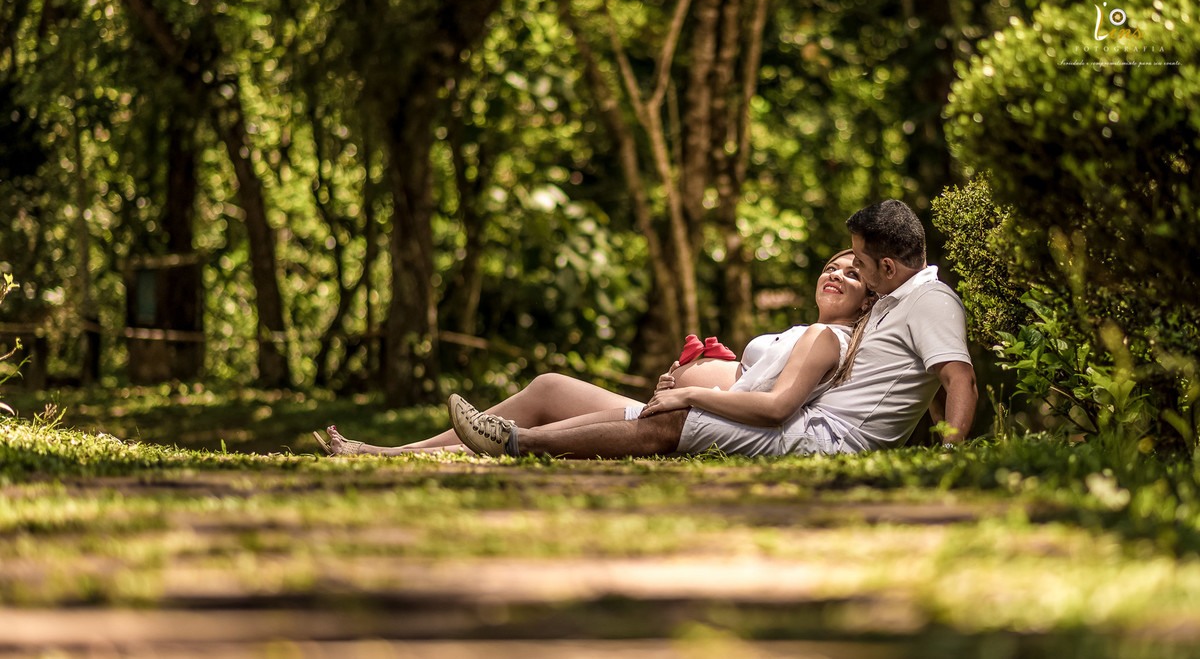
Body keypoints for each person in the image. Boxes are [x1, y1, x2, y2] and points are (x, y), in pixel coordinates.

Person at [449, 199, 976, 458]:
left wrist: (951, 456)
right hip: (811, 426)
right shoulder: (895, 301)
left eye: (857, 262)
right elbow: (920, 381)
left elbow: (957, 380)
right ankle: (506, 439)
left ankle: (518, 442)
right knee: (632, 410)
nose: (847, 269)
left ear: (886, 269)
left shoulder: (929, 301)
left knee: (675, 424)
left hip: (825, 437)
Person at [312, 249, 871, 456]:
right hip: (684, 406)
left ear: (868, 296)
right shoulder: (801, 332)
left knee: (545, 402)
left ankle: (405, 452)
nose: (835, 274)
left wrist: (692, 390)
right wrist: (686, 376)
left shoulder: (831, 339)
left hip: (696, 421)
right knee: (550, 386)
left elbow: (774, 405)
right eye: (830, 266)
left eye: (851, 273)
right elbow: (747, 379)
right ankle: (394, 450)